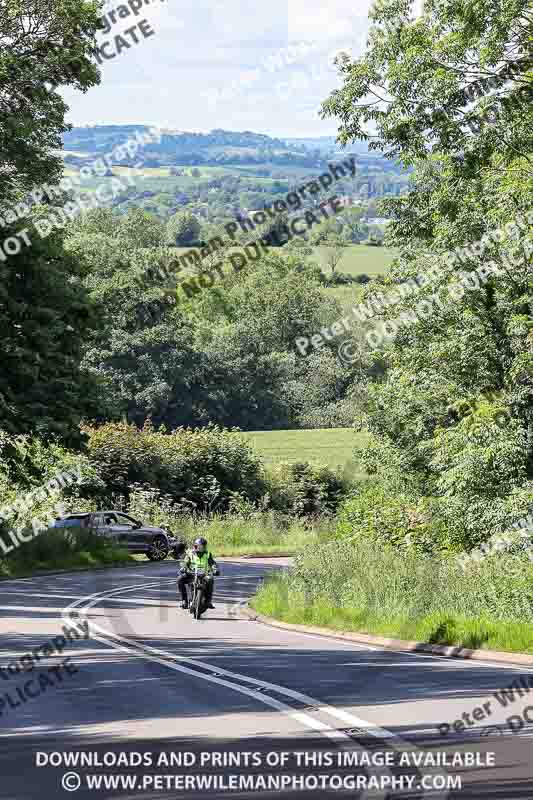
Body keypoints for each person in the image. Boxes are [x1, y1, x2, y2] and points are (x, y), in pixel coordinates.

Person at [177, 537, 219, 610]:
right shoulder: (190, 553)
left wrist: (215, 569)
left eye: (203, 546)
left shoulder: (208, 554)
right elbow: (185, 562)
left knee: (210, 580)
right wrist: (184, 568)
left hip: (204, 575)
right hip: (192, 574)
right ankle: (184, 601)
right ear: (195, 546)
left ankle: (208, 601)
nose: (201, 548)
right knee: (180, 579)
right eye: (200, 546)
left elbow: (212, 563)